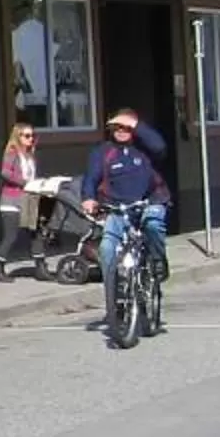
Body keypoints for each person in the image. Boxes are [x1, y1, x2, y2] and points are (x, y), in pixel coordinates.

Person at [80, 105, 171, 322]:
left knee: (153, 224)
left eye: (126, 127)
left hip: (150, 201)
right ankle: (115, 298)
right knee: (106, 247)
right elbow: (91, 178)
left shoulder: (145, 148)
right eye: (116, 127)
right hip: (118, 208)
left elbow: (160, 147)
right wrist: (88, 198)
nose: (121, 131)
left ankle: (158, 262)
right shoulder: (103, 152)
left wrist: (136, 125)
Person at [0, 121, 39, 281]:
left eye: (33, 135)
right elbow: (5, 173)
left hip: (29, 198)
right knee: (11, 235)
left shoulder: (30, 155)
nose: (31, 139)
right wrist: (23, 182)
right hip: (11, 199)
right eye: (27, 136)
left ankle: (40, 266)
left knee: (36, 232)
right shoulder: (12, 153)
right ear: (18, 137)